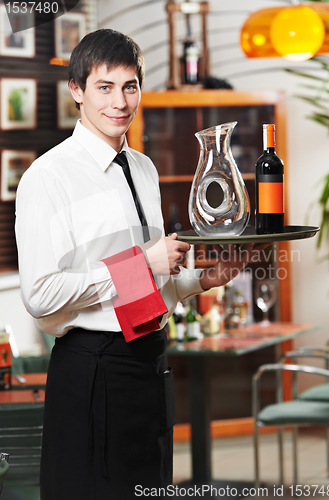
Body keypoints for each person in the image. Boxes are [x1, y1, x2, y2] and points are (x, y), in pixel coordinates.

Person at [15, 29, 266, 499]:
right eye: (104, 87)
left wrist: (199, 280)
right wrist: (142, 261)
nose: (120, 101)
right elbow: (39, 295)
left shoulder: (145, 169)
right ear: (77, 91)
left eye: (130, 86)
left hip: (151, 361)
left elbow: (144, 285)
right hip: (93, 368)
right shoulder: (47, 178)